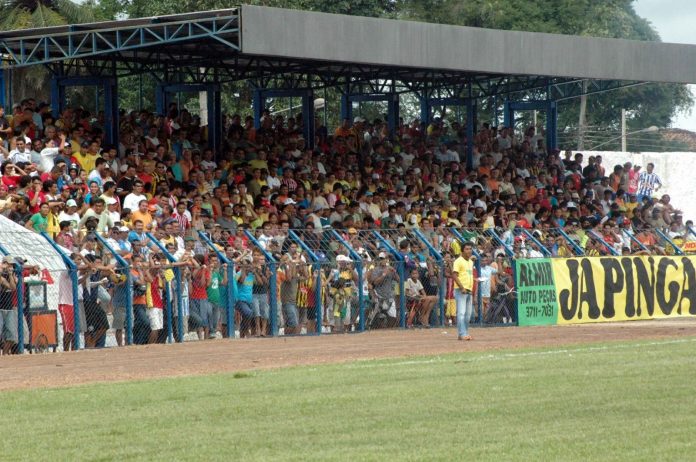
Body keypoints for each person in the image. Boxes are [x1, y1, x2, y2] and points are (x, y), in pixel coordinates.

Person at [453, 242, 475, 341]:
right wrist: (461, 287)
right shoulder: (458, 261)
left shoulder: (470, 262)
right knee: (461, 313)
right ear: (462, 250)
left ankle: (464, 333)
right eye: (467, 249)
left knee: (468, 314)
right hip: (461, 290)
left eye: (470, 249)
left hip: (469, 290)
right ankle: (462, 333)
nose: (469, 251)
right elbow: (454, 275)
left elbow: (468, 275)